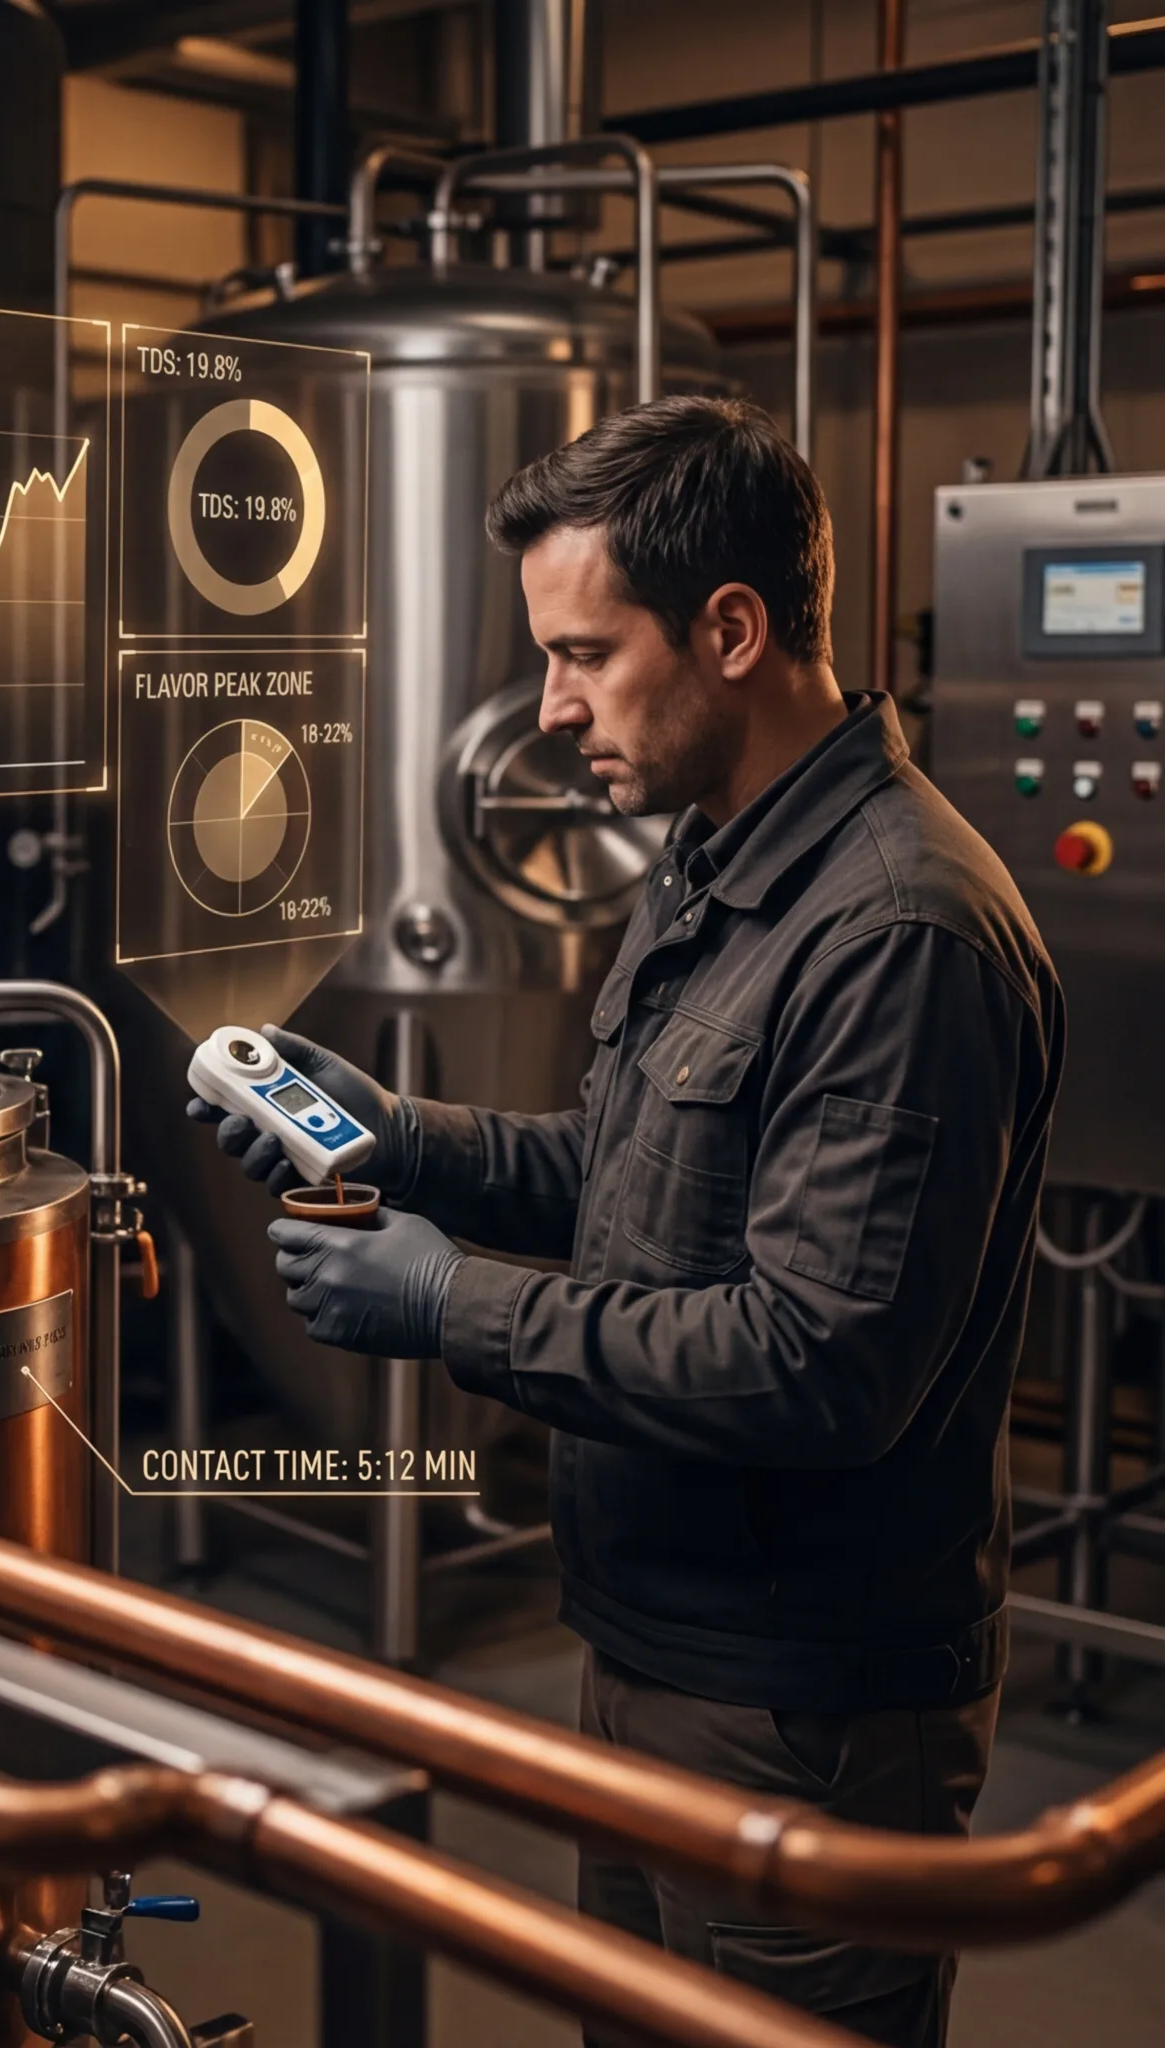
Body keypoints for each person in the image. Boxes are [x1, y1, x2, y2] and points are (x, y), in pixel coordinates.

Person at [190, 397, 1064, 2048]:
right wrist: (404, 1139)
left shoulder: (898, 932)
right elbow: (627, 1167)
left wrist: (450, 1305)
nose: (550, 706)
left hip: (801, 1703)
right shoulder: (712, 854)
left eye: (586, 653)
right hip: (651, 1643)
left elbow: (815, 1362)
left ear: (730, 630)